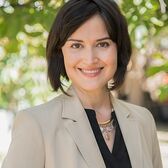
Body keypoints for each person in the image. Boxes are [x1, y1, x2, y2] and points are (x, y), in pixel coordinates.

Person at [2, 0, 163, 168]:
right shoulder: (35, 125)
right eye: (76, 45)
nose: (90, 59)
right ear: (60, 52)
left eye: (102, 44)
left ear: (119, 48)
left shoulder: (143, 121)